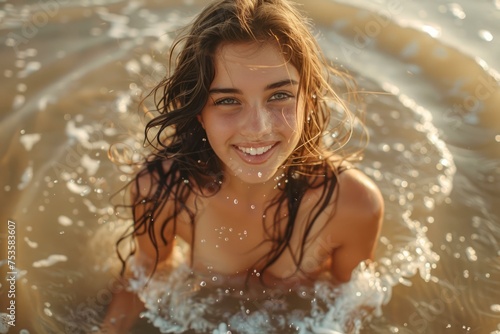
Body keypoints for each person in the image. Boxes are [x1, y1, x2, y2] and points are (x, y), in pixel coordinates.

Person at [100, 0, 383, 332]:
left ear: (309, 99)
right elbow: (144, 278)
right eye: (228, 101)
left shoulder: (352, 204)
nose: (257, 127)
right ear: (197, 112)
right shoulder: (161, 190)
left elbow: (350, 308)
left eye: (279, 96)